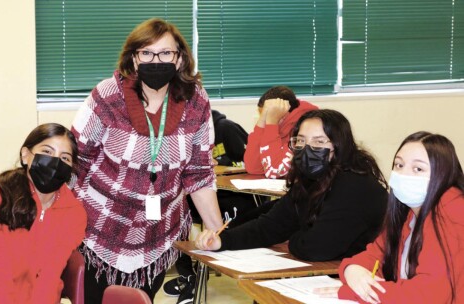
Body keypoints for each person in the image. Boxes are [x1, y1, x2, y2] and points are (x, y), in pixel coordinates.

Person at [70, 18, 223, 303]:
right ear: (133, 58)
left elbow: (199, 172)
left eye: (166, 53)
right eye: (147, 53)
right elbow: (77, 161)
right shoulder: (107, 95)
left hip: (158, 233)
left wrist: (217, 231)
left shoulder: (196, 101)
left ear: (180, 59)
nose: (157, 60)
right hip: (99, 230)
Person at [196, 109, 388, 262]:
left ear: (339, 146)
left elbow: (316, 249)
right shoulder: (311, 182)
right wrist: (222, 240)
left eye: (319, 142)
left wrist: (291, 237)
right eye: (300, 141)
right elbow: (270, 226)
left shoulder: (355, 187)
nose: (307, 149)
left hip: (361, 279)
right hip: (329, 272)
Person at [0, 123, 87, 304]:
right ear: (25, 155)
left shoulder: (74, 214)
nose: (55, 162)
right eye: (47, 152)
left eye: (65, 158)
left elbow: (49, 276)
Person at [335, 132, 464, 304]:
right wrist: (352, 270)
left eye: (418, 169)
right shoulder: (408, 213)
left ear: (443, 174)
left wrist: (355, 292)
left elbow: (430, 295)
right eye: (399, 165)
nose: (404, 174)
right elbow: (376, 255)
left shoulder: (452, 210)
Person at [163, 109, 255, 304]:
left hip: (230, 197)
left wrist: (218, 162)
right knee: (176, 222)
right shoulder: (179, 136)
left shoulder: (226, 129)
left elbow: (249, 162)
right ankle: (189, 277)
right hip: (199, 195)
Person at [243, 85, 318, 178]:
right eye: (263, 115)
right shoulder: (278, 128)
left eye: (268, 114)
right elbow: (253, 168)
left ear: (284, 113)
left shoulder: (304, 128)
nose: (266, 119)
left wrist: (272, 123)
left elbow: (275, 171)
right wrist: (262, 122)